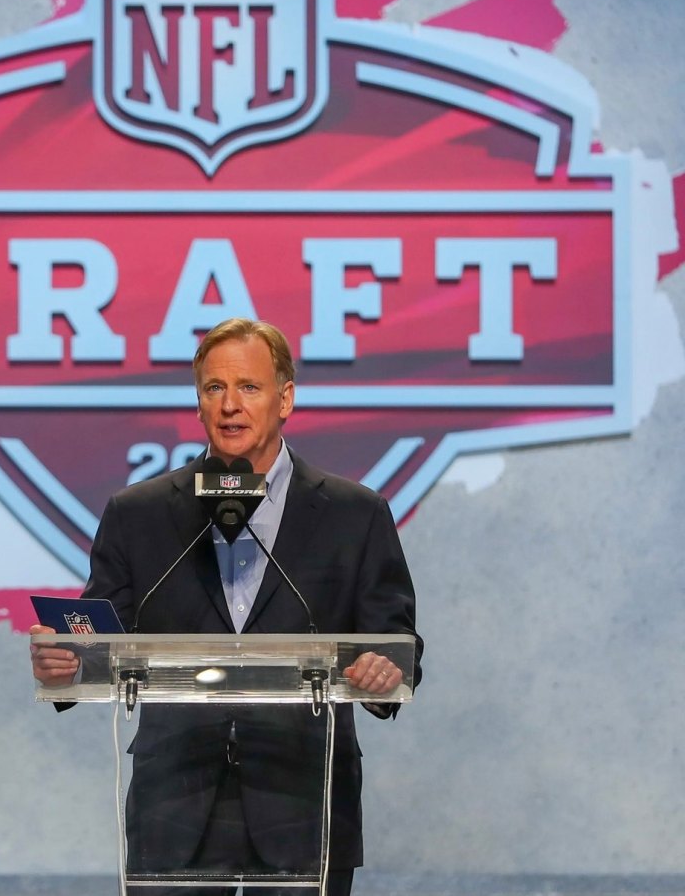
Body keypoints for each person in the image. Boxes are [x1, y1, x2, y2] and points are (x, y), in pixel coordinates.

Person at [31, 318, 422, 896]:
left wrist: (382, 674)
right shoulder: (138, 515)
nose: (230, 405)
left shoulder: (354, 514)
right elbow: (99, 642)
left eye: (249, 387)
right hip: (174, 805)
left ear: (285, 399)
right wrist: (64, 664)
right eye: (215, 388)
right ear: (198, 403)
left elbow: (397, 644)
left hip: (303, 803)